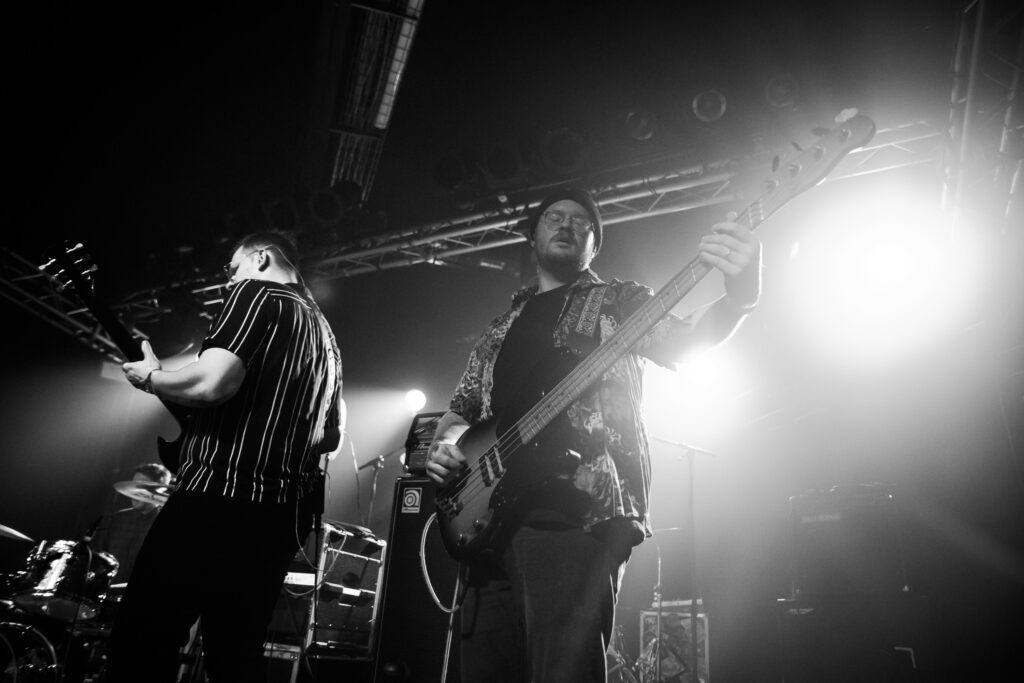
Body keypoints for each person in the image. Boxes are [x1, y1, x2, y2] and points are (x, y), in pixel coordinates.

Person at [426, 187, 761, 683]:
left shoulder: (616, 301)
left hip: (576, 513)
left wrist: (742, 295)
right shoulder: (500, 327)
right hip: (483, 528)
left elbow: (686, 339)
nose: (566, 225)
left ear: (594, 246)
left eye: (581, 223)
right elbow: (461, 411)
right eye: (554, 218)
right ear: (532, 236)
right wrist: (447, 447)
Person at [107, 231, 345, 683]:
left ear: (260, 259)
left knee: (143, 638)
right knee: (234, 655)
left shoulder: (257, 294)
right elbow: (331, 435)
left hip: (218, 495)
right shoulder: (325, 337)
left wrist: (153, 377)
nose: (229, 283)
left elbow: (211, 383)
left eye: (232, 270)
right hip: (278, 520)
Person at [90, 462, 173, 582]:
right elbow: (97, 558)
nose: (134, 491)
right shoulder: (116, 519)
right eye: (133, 485)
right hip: (106, 592)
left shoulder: (168, 525)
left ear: (160, 490)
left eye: (141, 486)